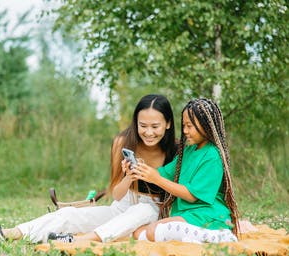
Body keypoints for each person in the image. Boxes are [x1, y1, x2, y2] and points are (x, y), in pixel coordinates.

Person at [0, 94, 177, 243]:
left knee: (144, 209)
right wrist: (129, 177)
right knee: (70, 215)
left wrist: (154, 177)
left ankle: (82, 241)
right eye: (143, 126)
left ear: (168, 124)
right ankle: (6, 233)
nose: (148, 132)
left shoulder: (177, 151)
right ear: (135, 122)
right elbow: (117, 194)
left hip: (153, 210)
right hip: (122, 206)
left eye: (155, 126)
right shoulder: (123, 141)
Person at [60, 98, 239, 244]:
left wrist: (156, 179)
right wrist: (138, 169)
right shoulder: (189, 151)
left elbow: (191, 195)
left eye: (189, 126)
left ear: (206, 126)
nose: (184, 131)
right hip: (187, 215)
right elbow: (163, 173)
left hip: (206, 215)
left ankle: (219, 236)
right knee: (140, 232)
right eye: (183, 125)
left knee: (156, 229)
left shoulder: (212, 156)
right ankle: (193, 239)